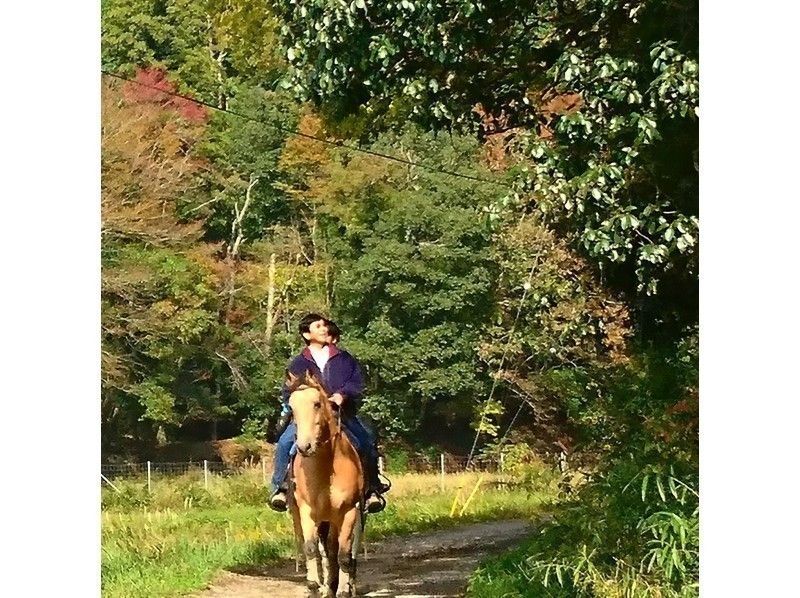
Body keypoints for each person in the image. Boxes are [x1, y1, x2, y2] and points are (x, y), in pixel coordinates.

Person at [268, 313, 388, 513]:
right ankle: (280, 487)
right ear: (307, 334)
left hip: (342, 414)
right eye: (318, 326)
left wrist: (342, 395)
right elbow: (288, 390)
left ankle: (372, 489)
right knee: (284, 443)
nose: (324, 329)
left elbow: (357, 382)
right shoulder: (297, 364)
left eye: (324, 326)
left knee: (365, 441)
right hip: (308, 417)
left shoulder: (345, 359)